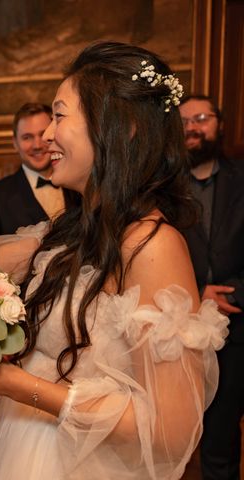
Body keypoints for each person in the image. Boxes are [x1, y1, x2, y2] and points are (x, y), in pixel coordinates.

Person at [0, 41, 229, 479]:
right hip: (25, 445)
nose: (48, 135)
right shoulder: (69, 228)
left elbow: (169, 428)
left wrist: (18, 385)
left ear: (121, 127)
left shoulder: (154, 245)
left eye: (60, 115)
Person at [179, 94, 244, 480]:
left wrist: (232, 295)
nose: (192, 127)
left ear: (219, 123)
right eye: (184, 121)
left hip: (239, 334)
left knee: (223, 446)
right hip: (180, 340)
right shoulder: (160, 190)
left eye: (201, 118)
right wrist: (196, 295)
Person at [0, 102, 73, 238]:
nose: (37, 145)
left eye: (42, 134)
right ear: (15, 143)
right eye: (27, 137)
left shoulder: (77, 188)